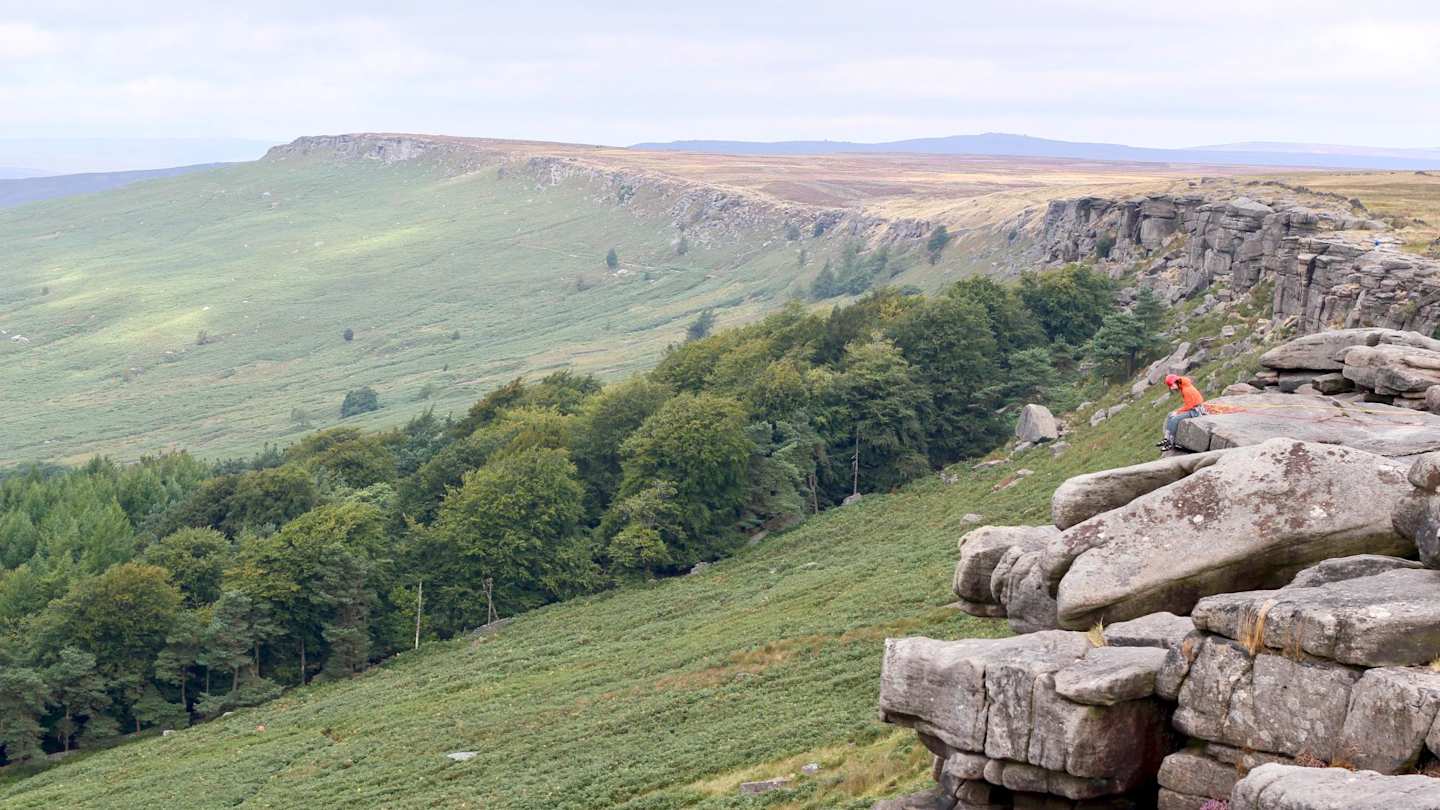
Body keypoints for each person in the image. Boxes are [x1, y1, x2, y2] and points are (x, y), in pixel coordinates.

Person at [1157, 373, 1206, 451]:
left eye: (1172, 386)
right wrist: (1177, 411)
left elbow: (1189, 406)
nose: (1172, 388)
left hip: (1196, 411)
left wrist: (1178, 412)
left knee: (1175, 419)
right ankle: (1166, 438)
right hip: (1193, 408)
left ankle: (1171, 442)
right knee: (1170, 415)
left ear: (1176, 382)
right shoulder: (1183, 385)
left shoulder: (1186, 390)